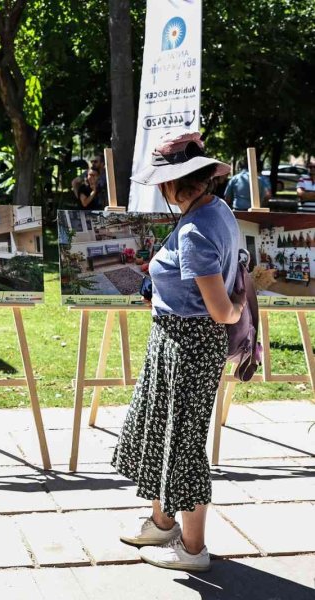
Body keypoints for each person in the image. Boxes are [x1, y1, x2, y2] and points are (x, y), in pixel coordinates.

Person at [113, 130, 242, 573]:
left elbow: (222, 310)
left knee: (183, 443)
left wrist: (243, 303)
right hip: (174, 340)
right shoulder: (216, 209)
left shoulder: (195, 230)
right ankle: (162, 521)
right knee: (162, 431)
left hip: (188, 345)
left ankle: (192, 549)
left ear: (173, 184)